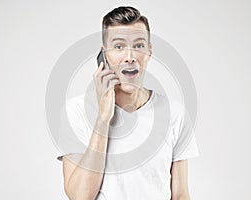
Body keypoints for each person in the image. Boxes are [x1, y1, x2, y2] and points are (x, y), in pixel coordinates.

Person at [59, 6, 199, 200]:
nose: (130, 57)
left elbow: (181, 195)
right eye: (118, 46)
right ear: (104, 55)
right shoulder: (75, 111)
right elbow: (80, 197)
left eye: (139, 45)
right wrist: (102, 119)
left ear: (149, 52)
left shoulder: (175, 113)